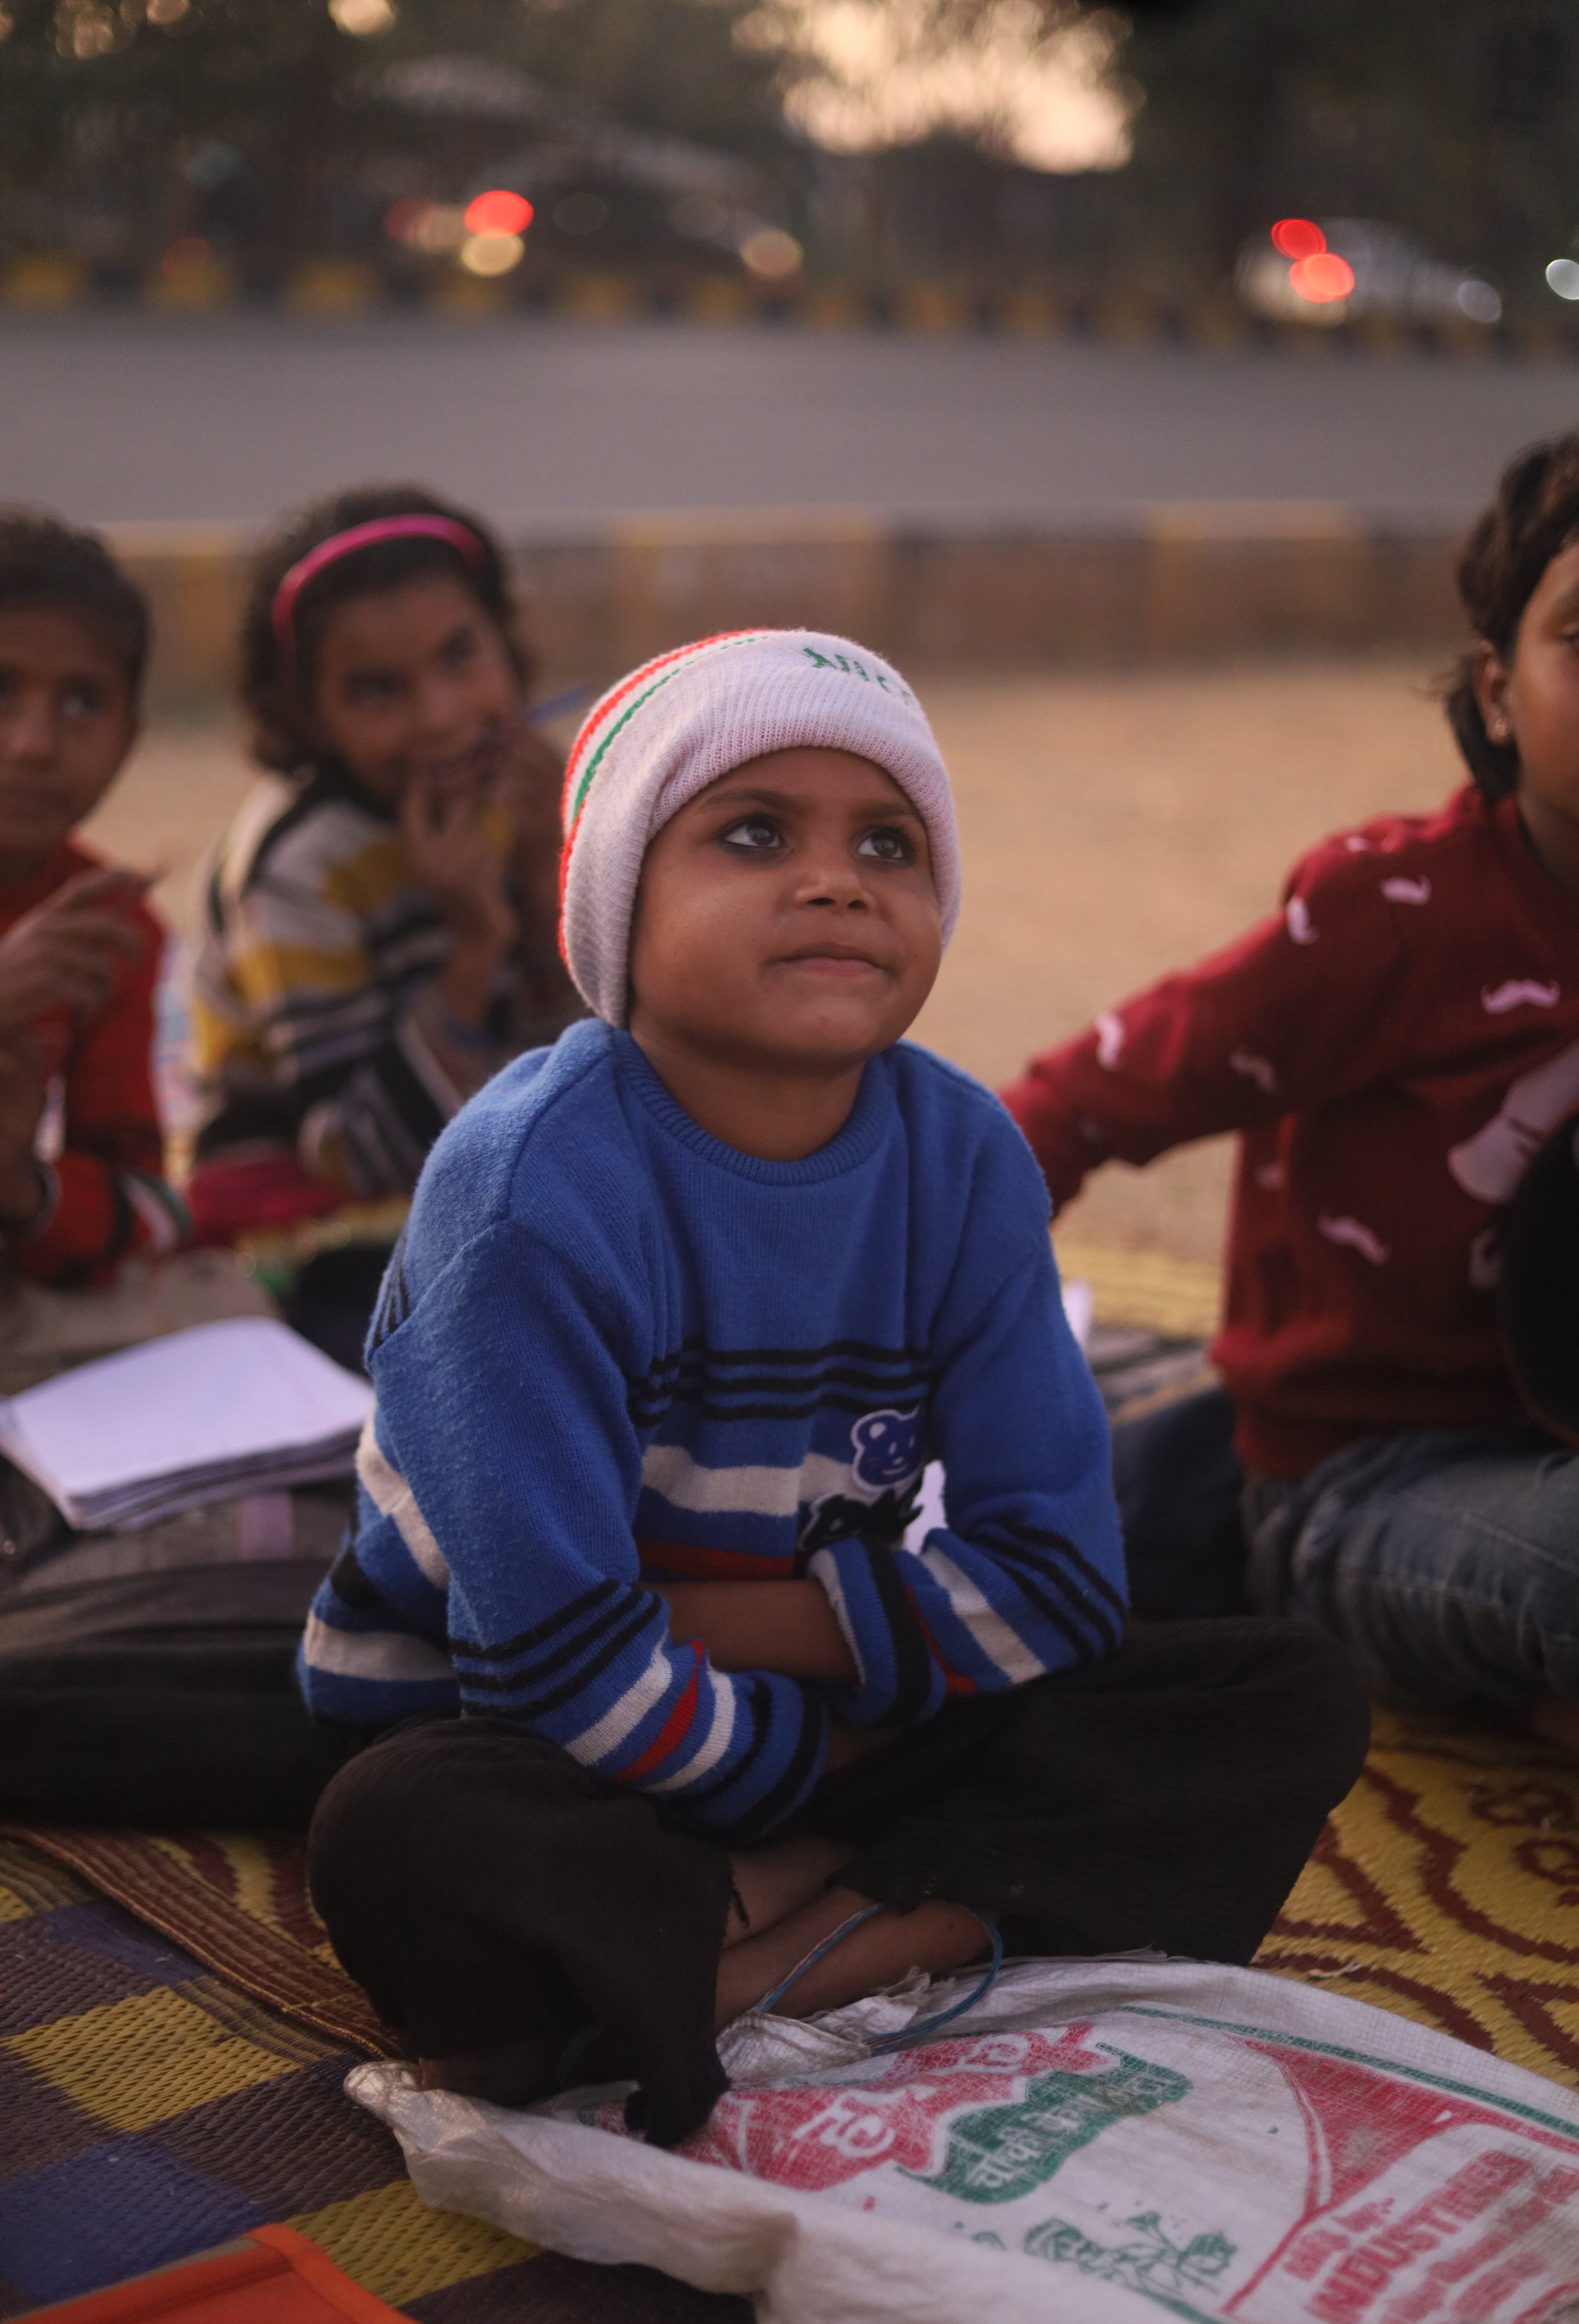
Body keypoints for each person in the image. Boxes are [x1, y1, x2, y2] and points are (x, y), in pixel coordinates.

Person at [302, 629, 1367, 2144]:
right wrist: (818, 1777)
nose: (835, 878)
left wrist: (743, 1666)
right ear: (618, 903)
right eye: (752, 834)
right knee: (403, 1836)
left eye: (888, 842)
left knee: (1282, 1695)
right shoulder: (526, 1185)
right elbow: (541, 1667)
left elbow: (1061, 1581)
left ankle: (738, 1971)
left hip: (799, 1706)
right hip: (529, 1736)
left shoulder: (964, 1157)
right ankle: (859, 1915)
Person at [1003, 431, 1579, 1759]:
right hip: (1368, 1482)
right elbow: (1097, 1092)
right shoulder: (1400, 918)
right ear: (1497, 694)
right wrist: (880, 1291)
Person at [186, 484, 581, 1361]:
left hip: (484, 1181)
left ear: (505, 643)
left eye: (459, 657)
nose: (439, 716)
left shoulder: (520, 800)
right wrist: (473, 949)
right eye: (375, 691)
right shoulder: (295, 869)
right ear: (304, 715)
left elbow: (577, 1065)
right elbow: (354, 1158)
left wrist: (547, 876)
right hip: (318, 1230)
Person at [0, 510, 186, 1290]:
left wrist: (23, 1189)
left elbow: (151, 1210)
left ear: (129, 739)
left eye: (82, 704)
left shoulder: (107, 930)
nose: (34, 743)